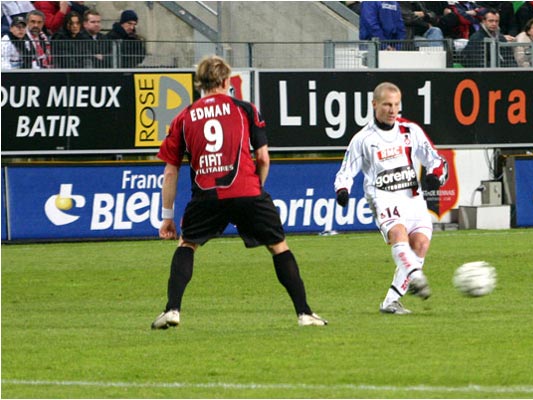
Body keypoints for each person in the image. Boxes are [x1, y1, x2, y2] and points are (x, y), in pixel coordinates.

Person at [150, 55, 327, 329]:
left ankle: (172, 309)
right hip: (247, 190)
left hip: (206, 195)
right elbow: (264, 158)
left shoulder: (183, 118)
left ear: (200, 82)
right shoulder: (245, 109)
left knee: (187, 245)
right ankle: (304, 313)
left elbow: (170, 171)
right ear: (225, 81)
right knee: (278, 246)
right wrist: (256, 188)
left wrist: (167, 217)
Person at [334, 82, 448, 315]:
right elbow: (346, 170)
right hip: (383, 198)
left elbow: (435, 160)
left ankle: (391, 301)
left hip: (413, 198)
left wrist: (435, 177)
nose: (392, 109)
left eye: (396, 104)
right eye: (387, 104)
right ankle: (417, 277)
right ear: (375, 104)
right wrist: (342, 190)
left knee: (421, 245)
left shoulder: (410, 131)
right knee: (398, 235)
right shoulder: (363, 139)